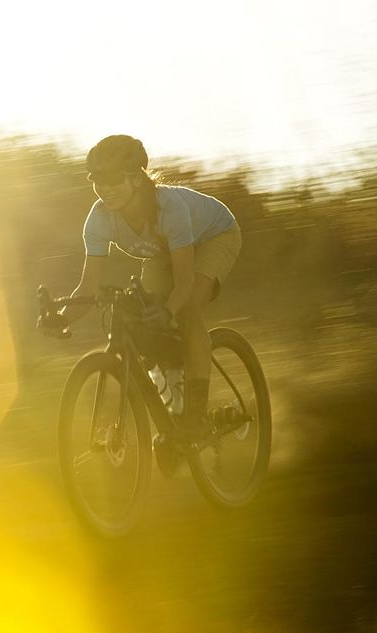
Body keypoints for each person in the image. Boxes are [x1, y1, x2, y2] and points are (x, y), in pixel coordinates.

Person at [39, 134, 242, 441]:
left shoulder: (169, 209)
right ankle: (175, 410)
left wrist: (169, 311)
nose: (104, 189)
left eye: (112, 179)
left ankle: (197, 415)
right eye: (97, 180)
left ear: (136, 178)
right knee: (146, 321)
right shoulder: (99, 219)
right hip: (165, 252)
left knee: (185, 311)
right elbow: (88, 286)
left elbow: (185, 282)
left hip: (214, 236)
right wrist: (63, 318)